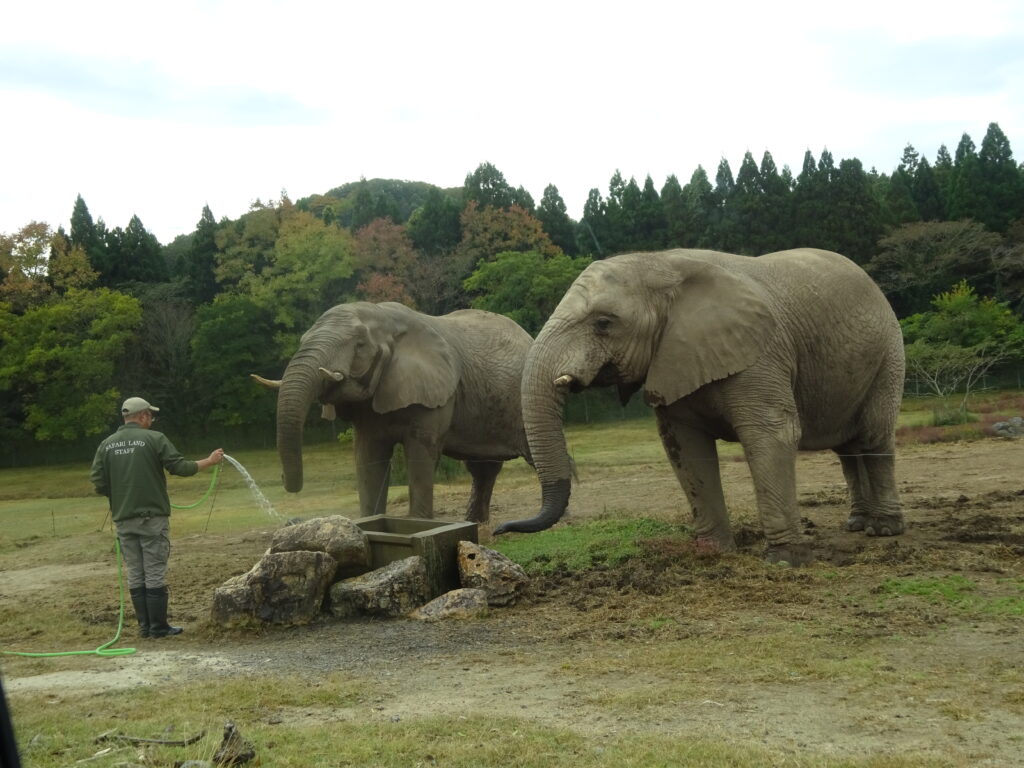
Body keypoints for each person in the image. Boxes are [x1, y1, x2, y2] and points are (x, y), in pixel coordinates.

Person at [90, 397, 224, 638]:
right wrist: (210, 461)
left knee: (135, 572)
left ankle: (144, 627)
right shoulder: (154, 438)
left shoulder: (106, 445)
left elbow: (98, 483)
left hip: (123, 519)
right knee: (154, 571)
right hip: (152, 518)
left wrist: (121, 493)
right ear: (142, 416)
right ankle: (158, 628)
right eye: (150, 415)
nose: (151, 420)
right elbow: (180, 468)